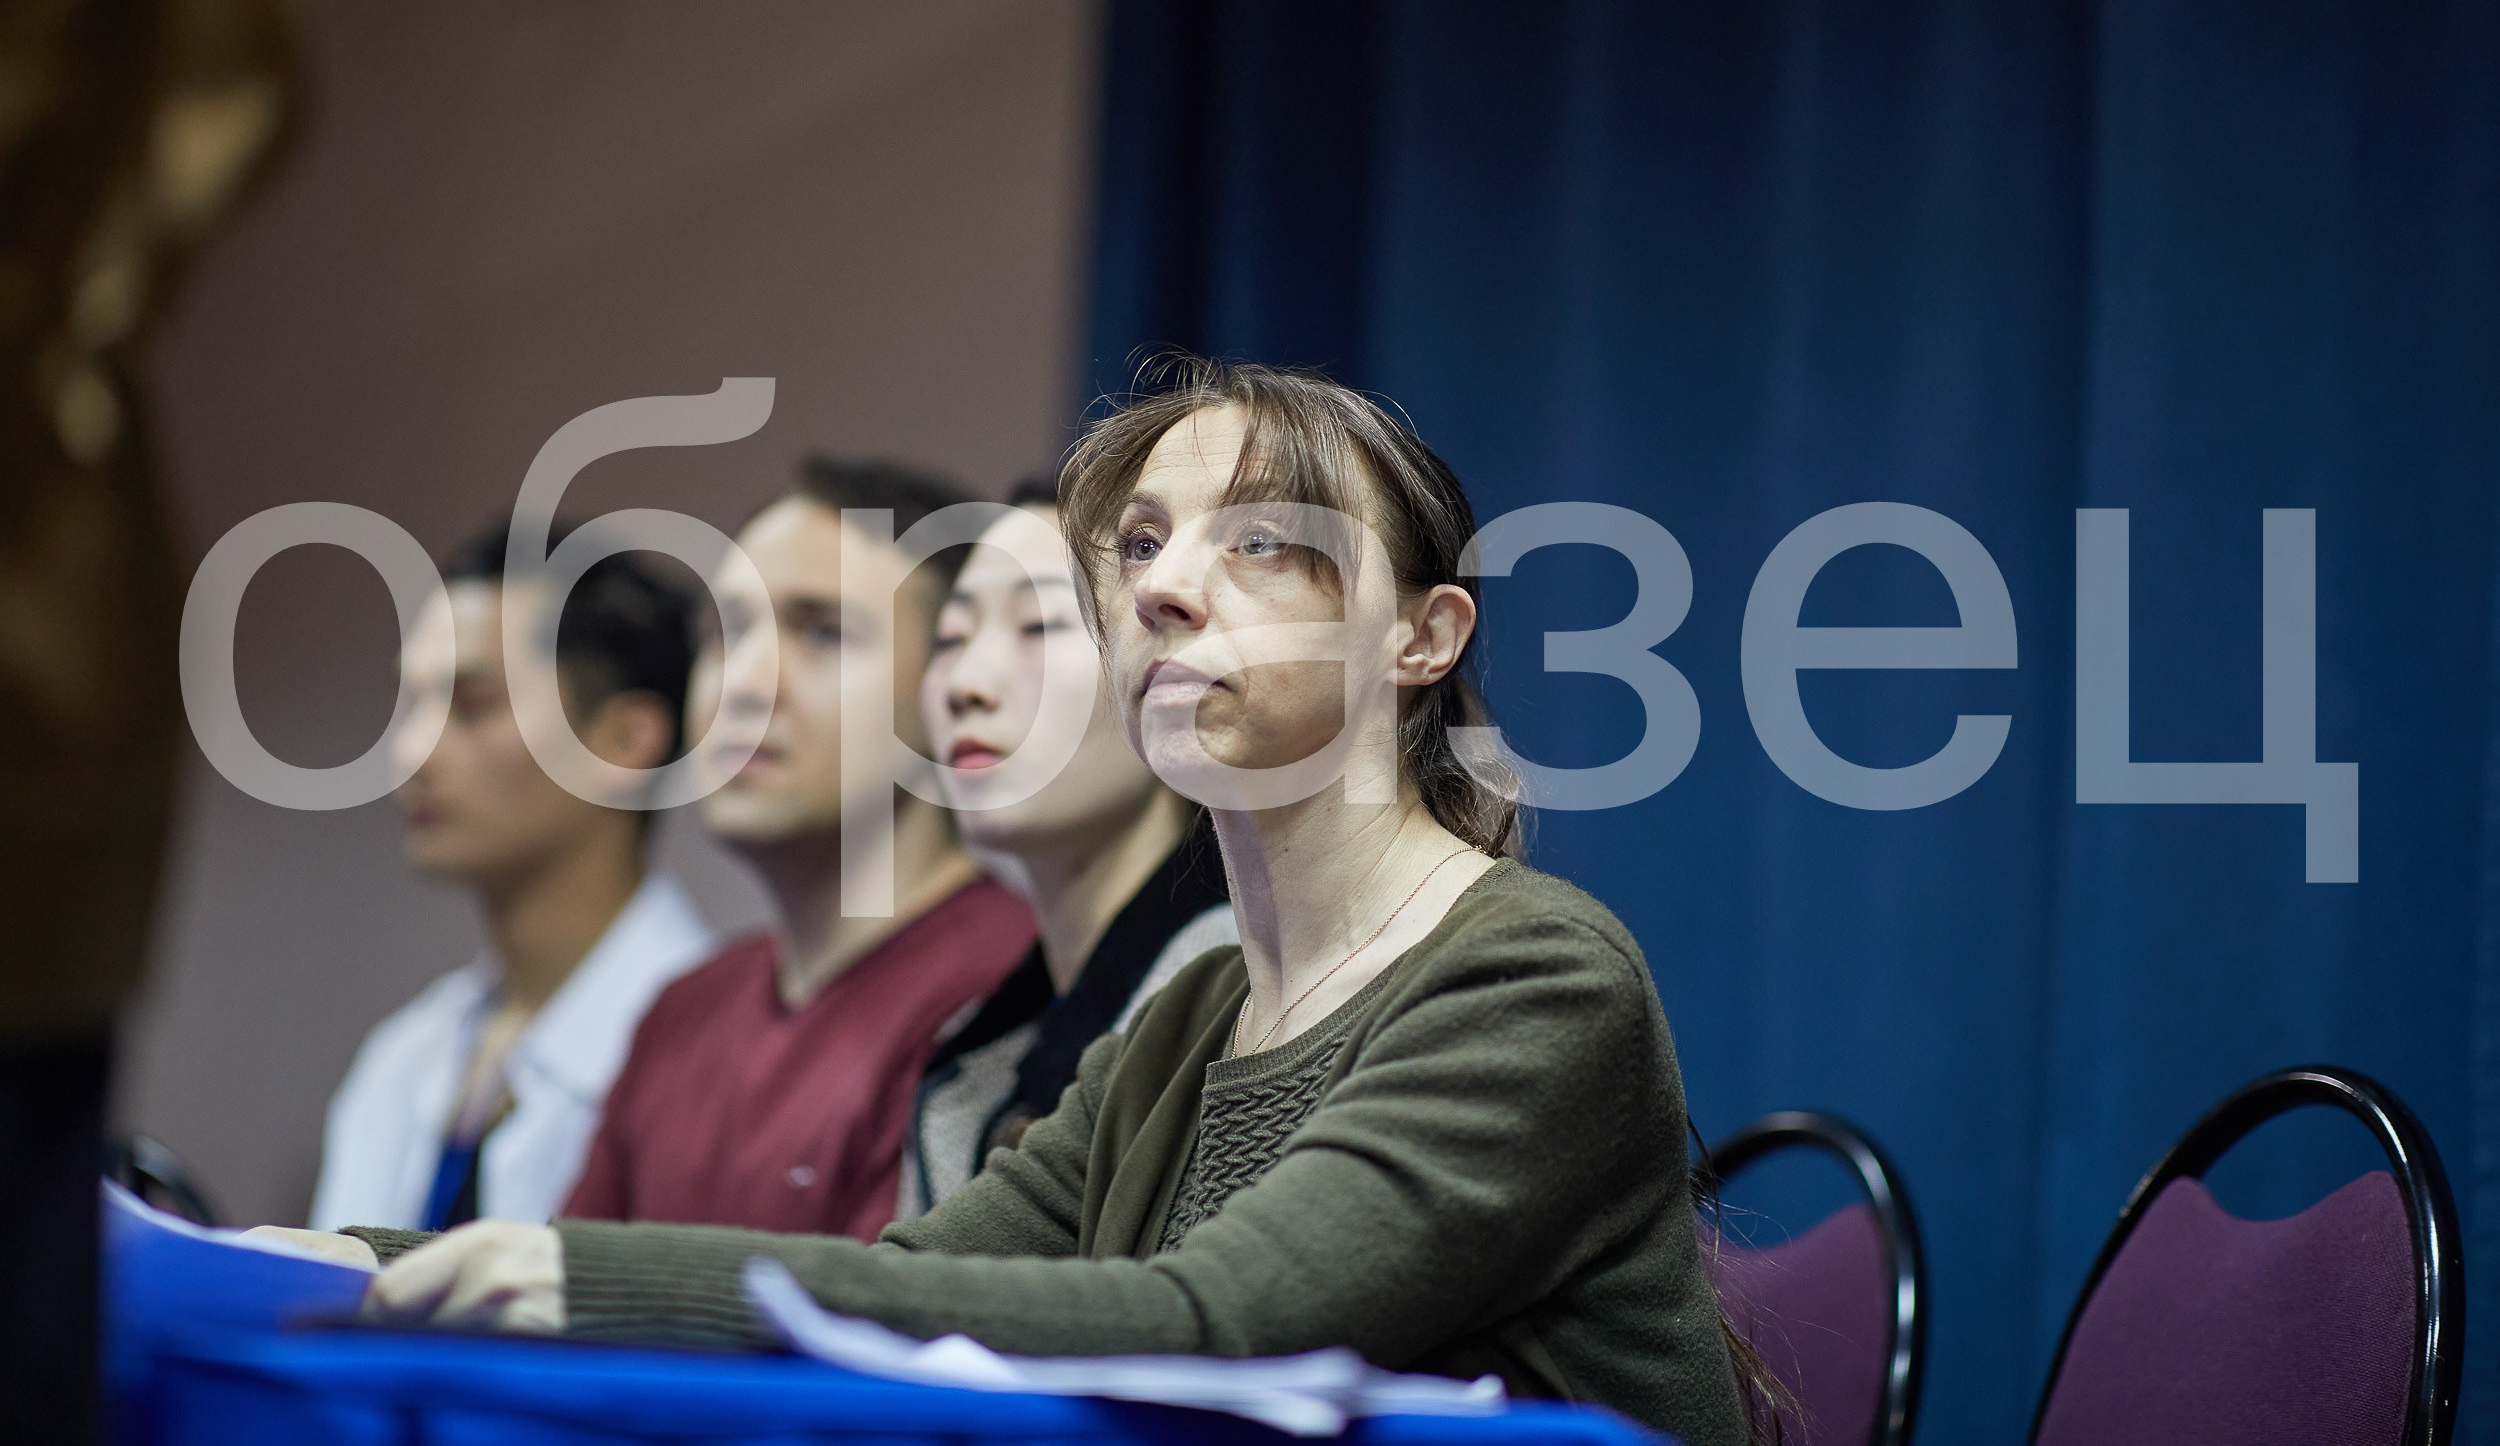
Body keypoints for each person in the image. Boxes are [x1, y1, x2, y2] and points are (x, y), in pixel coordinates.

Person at [304, 365, 1754, 1446]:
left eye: (1259, 538)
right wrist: (371, 1260)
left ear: (1424, 637)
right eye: (1137, 544)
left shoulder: (1536, 970)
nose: (1167, 586)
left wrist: (551, 1276)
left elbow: (1220, 1326)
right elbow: (899, 1277)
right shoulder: (1188, 1015)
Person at [555, 460, 1036, 1238]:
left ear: (953, 684)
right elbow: (552, 1301)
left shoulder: (1011, 990)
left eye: (821, 632)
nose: (745, 683)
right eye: (727, 632)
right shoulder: (683, 1011)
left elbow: (874, 1329)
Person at [310, 523, 715, 1231]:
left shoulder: (713, 1063)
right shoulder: (404, 1056)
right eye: (411, 705)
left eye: (472, 706)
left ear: (625, 740)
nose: (410, 751)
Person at [899, 481, 1235, 1217]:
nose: (968, 684)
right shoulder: (976, 1045)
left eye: (1039, 624)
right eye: (951, 638)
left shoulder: (1244, 999)